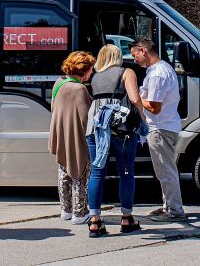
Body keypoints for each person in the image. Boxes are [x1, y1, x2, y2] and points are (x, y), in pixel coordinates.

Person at [85, 44, 145, 237]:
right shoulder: (127, 72)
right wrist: (142, 118)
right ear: (118, 56)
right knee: (126, 171)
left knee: (97, 172)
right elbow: (135, 98)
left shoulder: (95, 76)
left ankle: (95, 221)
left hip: (95, 126)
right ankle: (127, 218)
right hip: (121, 127)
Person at [130, 38, 186, 222]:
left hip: (160, 127)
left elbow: (154, 107)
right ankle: (168, 206)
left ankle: (175, 211)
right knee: (164, 170)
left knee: (166, 170)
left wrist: (135, 97)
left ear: (143, 50)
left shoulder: (157, 74)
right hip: (164, 126)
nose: (134, 59)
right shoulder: (161, 69)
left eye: (135, 54)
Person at [48, 51, 96, 226]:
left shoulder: (59, 83)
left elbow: (55, 108)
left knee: (64, 173)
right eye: (90, 69)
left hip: (61, 135)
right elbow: (86, 118)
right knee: (81, 174)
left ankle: (66, 210)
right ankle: (79, 213)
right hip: (78, 138)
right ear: (84, 69)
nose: (92, 72)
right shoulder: (79, 89)